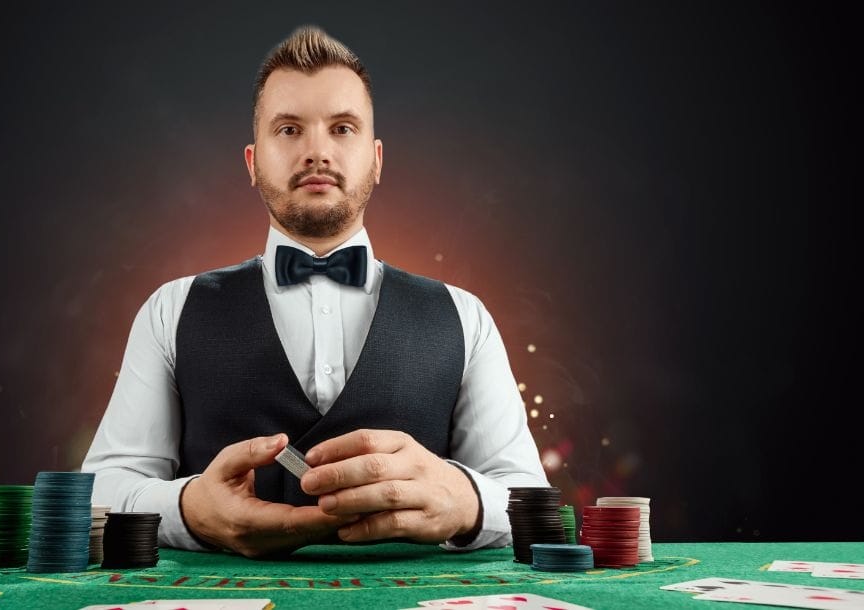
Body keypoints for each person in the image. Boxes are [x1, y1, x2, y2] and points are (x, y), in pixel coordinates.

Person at [81, 25, 548, 558]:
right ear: (253, 164)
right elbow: (101, 492)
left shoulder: (466, 317)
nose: (317, 152)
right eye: (288, 130)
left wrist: (466, 502)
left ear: (376, 159)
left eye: (342, 128)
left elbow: (529, 497)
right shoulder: (170, 311)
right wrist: (190, 510)